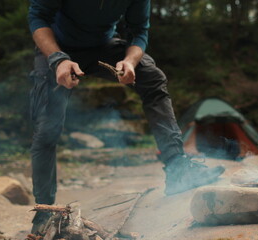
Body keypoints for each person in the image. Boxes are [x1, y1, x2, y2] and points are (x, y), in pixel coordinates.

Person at [27, 0, 225, 234]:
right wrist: (57, 59)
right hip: (57, 47)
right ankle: (46, 211)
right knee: (47, 128)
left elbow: (139, 31)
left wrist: (130, 61)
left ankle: (177, 169)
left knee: (152, 78)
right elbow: (38, 17)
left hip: (103, 46)